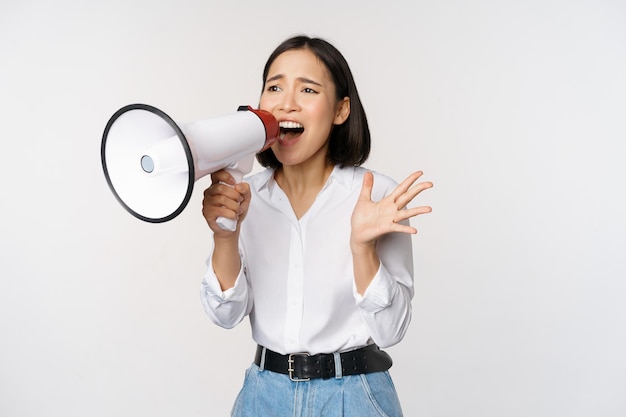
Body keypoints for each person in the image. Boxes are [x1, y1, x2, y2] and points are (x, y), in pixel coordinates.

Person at [200, 35, 433, 417]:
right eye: (274, 87)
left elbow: (392, 331)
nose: (286, 102)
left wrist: (362, 248)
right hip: (263, 395)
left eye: (308, 89)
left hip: (354, 396)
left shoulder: (375, 197)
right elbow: (225, 315)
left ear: (341, 110)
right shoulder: (246, 197)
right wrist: (226, 236)